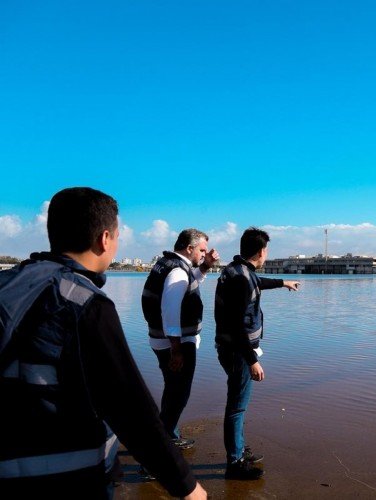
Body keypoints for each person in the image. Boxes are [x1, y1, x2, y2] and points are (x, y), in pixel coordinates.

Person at [0, 187, 206, 499]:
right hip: (66, 479)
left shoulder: (12, 283)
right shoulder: (83, 301)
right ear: (105, 239)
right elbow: (131, 407)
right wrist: (185, 485)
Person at [214, 227, 299, 480]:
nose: (266, 254)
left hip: (229, 347)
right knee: (237, 407)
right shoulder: (241, 277)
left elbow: (257, 282)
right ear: (262, 251)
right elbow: (236, 324)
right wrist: (252, 361)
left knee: (237, 405)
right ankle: (235, 463)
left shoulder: (236, 270)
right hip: (238, 350)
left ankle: (239, 450)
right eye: (267, 250)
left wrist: (283, 282)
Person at [141, 229, 219, 451]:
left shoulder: (169, 263)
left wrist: (205, 266)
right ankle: (159, 449)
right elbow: (171, 309)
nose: (205, 254)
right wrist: (176, 349)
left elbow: (187, 283)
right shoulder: (177, 271)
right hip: (175, 343)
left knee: (172, 389)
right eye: (202, 250)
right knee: (179, 394)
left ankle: (169, 435)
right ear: (190, 248)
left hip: (161, 339)